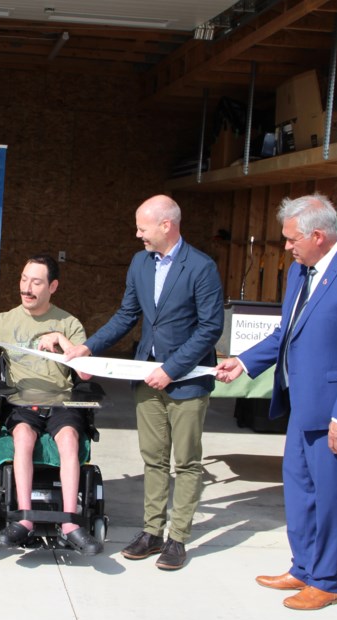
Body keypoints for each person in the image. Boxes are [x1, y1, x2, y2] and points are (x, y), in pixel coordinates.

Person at [214, 194, 337, 610]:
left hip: (336, 412)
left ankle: (326, 581)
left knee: (331, 498)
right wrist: (244, 361)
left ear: (318, 235)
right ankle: (304, 568)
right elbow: (285, 333)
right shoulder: (300, 271)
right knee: (300, 490)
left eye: (292, 239)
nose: (287, 247)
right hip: (301, 405)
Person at [63, 195, 223, 570]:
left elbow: (210, 328)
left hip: (186, 382)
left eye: (142, 227)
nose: (138, 235)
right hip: (145, 377)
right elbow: (127, 315)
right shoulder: (139, 263)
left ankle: (177, 539)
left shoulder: (202, 267)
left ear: (166, 225)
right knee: (153, 459)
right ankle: (152, 531)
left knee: (185, 463)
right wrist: (88, 347)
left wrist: (172, 369)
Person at [0, 255, 103, 556]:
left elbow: (85, 374)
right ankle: (25, 519)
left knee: (70, 439)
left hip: (61, 400)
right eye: (23, 279)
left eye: (36, 282)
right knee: (22, 438)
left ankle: (71, 523)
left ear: (52, 286)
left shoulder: (68, 322)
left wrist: (62, 340)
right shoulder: (5, 321)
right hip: (22, 402)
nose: (27, 288)